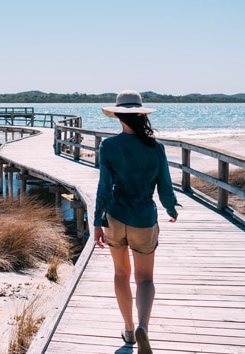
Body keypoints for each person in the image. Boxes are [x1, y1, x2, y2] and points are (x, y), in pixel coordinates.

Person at [94, 90, 180, 354]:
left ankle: (129, 329)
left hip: (116, 218)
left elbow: (104, 187)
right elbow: (164, 184)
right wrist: (170, 207)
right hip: (144, 219)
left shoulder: (109, 146)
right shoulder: (156, 148)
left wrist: (98, 220)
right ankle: (143, 325)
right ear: (142, 114)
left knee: (121, 274)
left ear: (118, 116)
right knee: (145, 279)